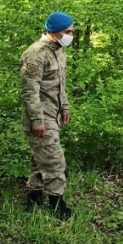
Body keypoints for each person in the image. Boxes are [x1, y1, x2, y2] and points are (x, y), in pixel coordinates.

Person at [20, 11, 75, 220]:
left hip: (53, 113)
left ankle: (33, 200)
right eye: (67, 31)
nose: (71, 35)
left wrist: (65, 108)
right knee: (54, 160)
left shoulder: (59, 51)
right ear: (54, 32)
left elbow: (60, 85)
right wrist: (37, 119)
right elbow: (29, 91)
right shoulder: (35, 54)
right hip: (40, 116)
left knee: (40, 158)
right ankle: (56, 204)